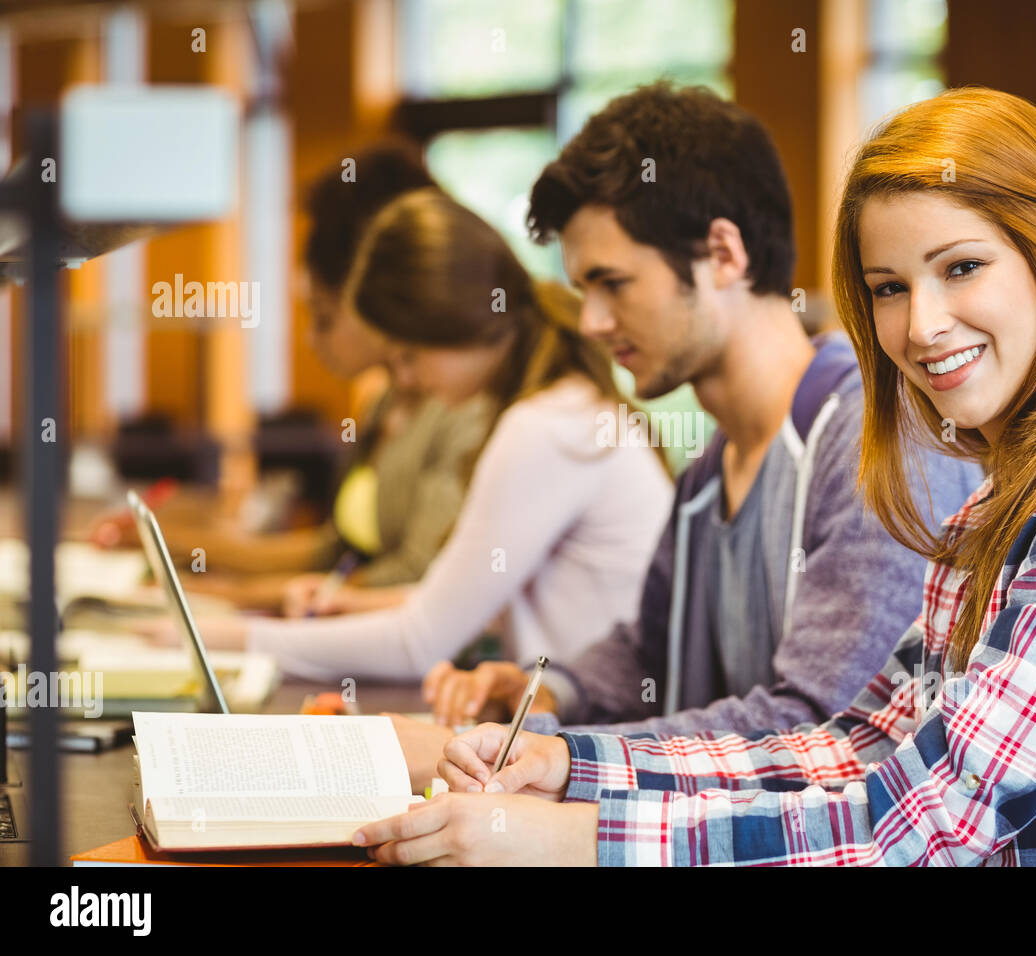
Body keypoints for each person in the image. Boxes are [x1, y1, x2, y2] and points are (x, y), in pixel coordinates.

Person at [354, 87, 1036, 866]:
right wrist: (569, 766)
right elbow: (859, 746)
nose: (921, 326)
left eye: (962, 267)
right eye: (887, 287)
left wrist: (574, 838)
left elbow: (928, 822)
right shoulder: (1003, 508)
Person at [414, 83, 982, 761]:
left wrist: (541, 751)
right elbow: (649, 653)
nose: (592, 322)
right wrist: (547, 691)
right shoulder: (711, 467)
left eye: (612, 283)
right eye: (582, 292)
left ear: (722, 255)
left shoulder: (876, 440)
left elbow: (821, 730)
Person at [183, 187, 673, 686]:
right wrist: (356, 602)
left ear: (458, 326)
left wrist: (216, 638)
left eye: (408, 356)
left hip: (588, 726)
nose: (407, 381)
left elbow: (419, 644)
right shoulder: (562, 407)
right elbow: (461, 600)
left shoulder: (547, 428)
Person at [92, 143, 493, 612]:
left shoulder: (463, 407)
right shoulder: (385, 403)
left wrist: (220, 595)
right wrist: (173, 543)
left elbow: (413, 580)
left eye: (323, 317)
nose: (310, 339)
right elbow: (333, 552)